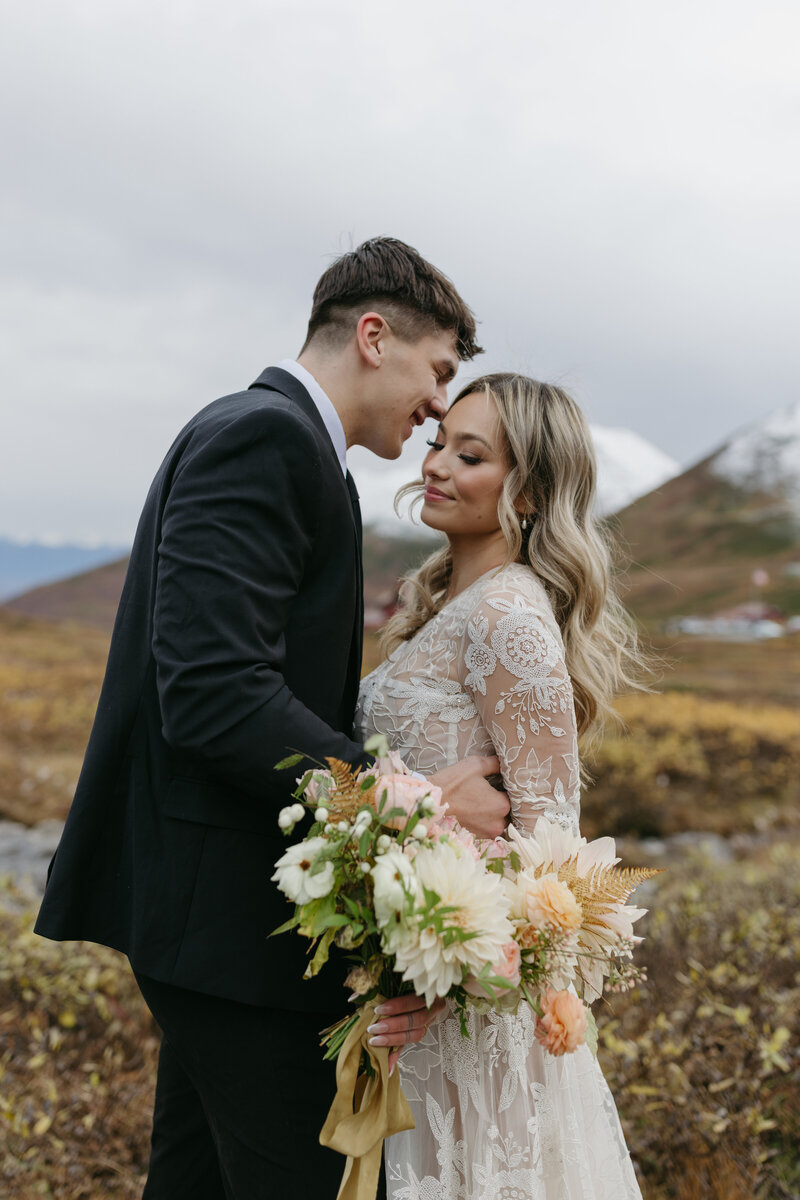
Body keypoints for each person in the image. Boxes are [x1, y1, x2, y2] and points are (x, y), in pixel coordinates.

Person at [34, 238, 510, 1199]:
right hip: (223, 927)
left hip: (216, 923)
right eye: (439, 371)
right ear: (374, 335)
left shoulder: (296, 452)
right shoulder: (267, 437)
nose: (435, 405)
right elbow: (214, 688)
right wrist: (407, 804)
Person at [357, 373, 648, 1199]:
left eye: (470, 455)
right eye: (441, 443)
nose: (437, 465)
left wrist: (447, 992)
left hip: (472, 1018)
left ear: (528, 492)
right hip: (423, 988)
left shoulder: (508, 616)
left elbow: (555, 865)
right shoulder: (446, 599)